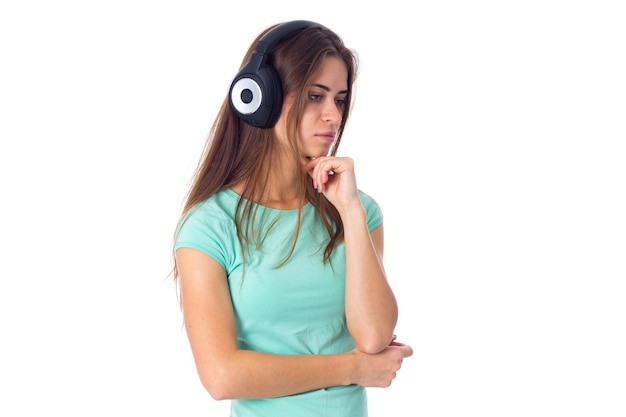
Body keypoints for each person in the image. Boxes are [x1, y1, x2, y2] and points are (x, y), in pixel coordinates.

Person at [172, 19, 413, 417]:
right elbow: (221, 375)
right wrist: (352, 368)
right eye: (316, 96)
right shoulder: (210, 225)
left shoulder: (360, 211)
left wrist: (349, 211)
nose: (333, 116)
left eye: (339, 99)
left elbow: (373, 337)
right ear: (260, 97)